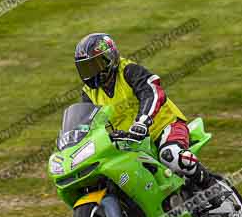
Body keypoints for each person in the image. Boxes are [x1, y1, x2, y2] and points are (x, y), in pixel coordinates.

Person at [74, 32, 217, 191]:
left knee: (170, 155)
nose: (91, 74)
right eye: (86, 69)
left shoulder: (129, 71)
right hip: (130, 142)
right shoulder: (88, 92)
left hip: (164, 127)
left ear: (110, 58)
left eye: (95, 66)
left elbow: (153, 93)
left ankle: (212, 187)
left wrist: (142, 122)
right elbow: (87, 123)